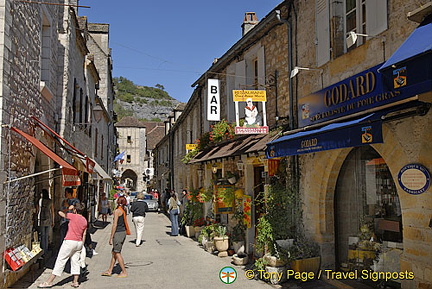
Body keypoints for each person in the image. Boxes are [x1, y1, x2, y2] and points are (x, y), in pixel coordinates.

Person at [37, 203, 87, 288]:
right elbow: (84, 234)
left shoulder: (72, 216)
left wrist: (68, 209)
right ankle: (75, 281)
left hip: (70, 241)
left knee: (61, 260)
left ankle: (49, 281)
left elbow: (60, 213)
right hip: (79, 242)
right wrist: (82, 244)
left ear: (75, 210)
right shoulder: (84, 220)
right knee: (75, 261)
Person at [101, 196, 130, 278]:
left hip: (118, 233)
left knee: (117, 252)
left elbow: (115, 224)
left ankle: (124, 272)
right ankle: (110, 270)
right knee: (114, 252)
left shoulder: (117, 211)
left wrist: (111, 237)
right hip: (123, 232)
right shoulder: (124, 209)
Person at [36, 189, 54, 255]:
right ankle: (45, 250)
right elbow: (52, 211)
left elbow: (37, 210)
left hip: (41, 219)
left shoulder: (40, 201)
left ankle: (42, 250)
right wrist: (53, 221)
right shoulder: (50, 201)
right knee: (46, 235)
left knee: (42, 235)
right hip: (48, 219)